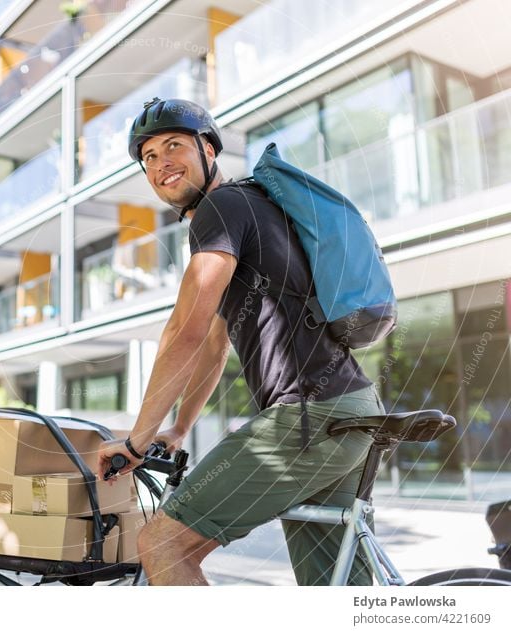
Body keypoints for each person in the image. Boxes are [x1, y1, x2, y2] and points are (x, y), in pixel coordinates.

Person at [97, 97, 385, 586]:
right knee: (333, 589)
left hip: (309, 419)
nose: (160, 163)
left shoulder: (220, 208)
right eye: (148, 157)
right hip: (353, 410)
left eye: (173, 146)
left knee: (163, 544)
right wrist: (180, 427)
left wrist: (137, 440)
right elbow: (212, 341)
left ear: (208, 149)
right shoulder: (255, 208)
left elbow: (183, 331)